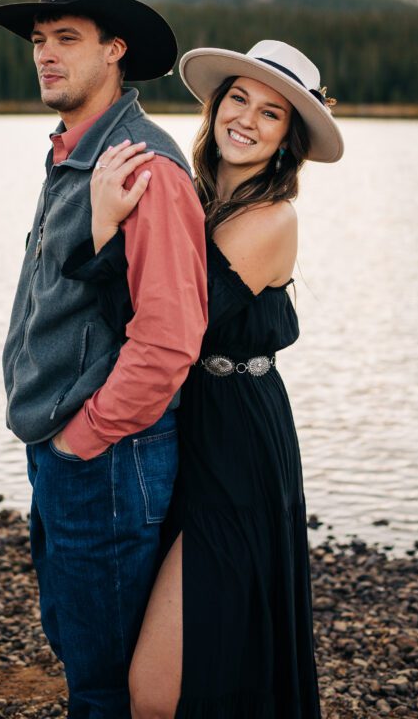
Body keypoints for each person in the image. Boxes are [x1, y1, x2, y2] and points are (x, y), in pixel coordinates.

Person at [64, 40, 344, 718]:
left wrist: (108, 230)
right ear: (216, 107)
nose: (245, 119)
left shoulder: (270, 219)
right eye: (237, 99)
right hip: (184, 424)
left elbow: (168, 324)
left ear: (287, 141)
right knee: (209, 646)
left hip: (239, 446)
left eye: (270, 113)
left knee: (157, 691)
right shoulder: (193, 196)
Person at [0, 0, 208, 719]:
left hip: (110, 459)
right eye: (39, 39)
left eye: (66, 38)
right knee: (78, 645)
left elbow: (170, 339)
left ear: (114, 49)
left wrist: (86, 436)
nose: (45, 52)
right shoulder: (74, 152)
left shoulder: (146, 167)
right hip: (69, 451)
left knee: (107, 682)